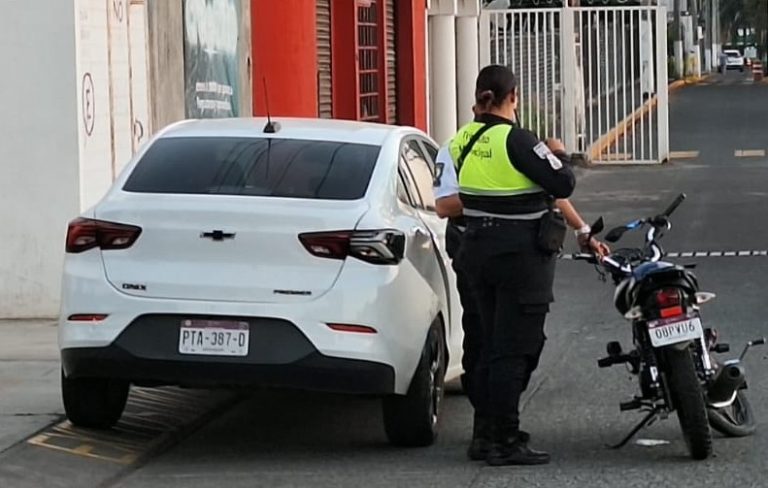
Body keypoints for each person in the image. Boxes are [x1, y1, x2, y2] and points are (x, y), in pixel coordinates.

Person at [433, 106, 608, 462]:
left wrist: (582, 228)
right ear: (510, 99)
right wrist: (552, 158)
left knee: (510, 345)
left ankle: (495, 427)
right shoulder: (465, 145)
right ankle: (492, 433)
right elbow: (444, 206)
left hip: (484, 253)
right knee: (494, 344)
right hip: (489, 253)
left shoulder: (508, 144)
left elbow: (549, 192)